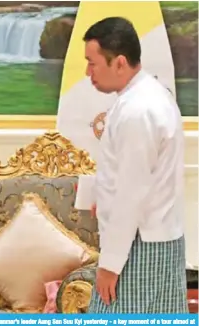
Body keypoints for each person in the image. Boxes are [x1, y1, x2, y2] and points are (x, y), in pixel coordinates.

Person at [83, 17, 188, 313]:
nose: (87, 72)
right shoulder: (149, 95)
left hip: (140, 247)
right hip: (158, 240)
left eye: (92, 63)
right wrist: (102, 200)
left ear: (119, 62)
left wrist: (110, 264)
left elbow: (132, 193)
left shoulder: (138, 111)